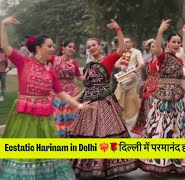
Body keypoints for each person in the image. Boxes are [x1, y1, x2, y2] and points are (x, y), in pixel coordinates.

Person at [0, 16, 90, 180]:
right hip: (24, 114)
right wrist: (3, 25)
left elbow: (61, 93)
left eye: (53, 46)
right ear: (38, 47)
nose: (52, 49)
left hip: (44, 115)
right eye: (49, 46)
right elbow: (5, 46)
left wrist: (78, 105)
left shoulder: (50, 71)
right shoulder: (23, 62)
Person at [69, 19, 137, 179]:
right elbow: (88, 86)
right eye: (89, 47)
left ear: (100, 46)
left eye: (94, 45)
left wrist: (118, 30)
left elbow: (121, 49)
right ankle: (87, 164)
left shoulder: (107, 60)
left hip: (104, 103)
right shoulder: (89, 65)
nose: (92, 48)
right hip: (88, 103)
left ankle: (109, 166)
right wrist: (75, 98)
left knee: (105, 133)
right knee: (86, 133)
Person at [138, 19, 185, 176]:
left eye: (179, 42)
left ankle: (178, 162)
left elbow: (182, 82)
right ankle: (159, 162)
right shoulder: (163, 57)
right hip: (162, 100)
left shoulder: (180, 60)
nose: (176, 44)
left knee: (180, 130)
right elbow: (155, 49)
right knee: (161, 130)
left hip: (178, 101)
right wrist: (160, 32)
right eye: (174, 42)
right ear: (167, 43)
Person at [49, 40, 84, 137]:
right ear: (63, 48)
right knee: (57, 115)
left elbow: (79, 77)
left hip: (72, 92)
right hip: (57, 91)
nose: (72, 49)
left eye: (73, 48)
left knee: (71, 115)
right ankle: (59, 135)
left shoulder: (74, 62)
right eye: (69, 46)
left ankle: (70, 134)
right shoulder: (54, 59)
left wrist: (91, 77)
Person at [131, 39, 158, 136]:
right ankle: (148, 129)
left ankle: (154, 130)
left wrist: (152, 39)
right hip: (147, 86)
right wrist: (145, 83)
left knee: (153, 110)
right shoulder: (151, 59)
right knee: (147, 109)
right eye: (151, 46)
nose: (151, 48)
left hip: (156, 88)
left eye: (153, 46)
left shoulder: (161, 59)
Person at [114, 37, 143, 120]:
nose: (125, 43)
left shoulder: (136, 52)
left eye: (127, 42)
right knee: (119, 95)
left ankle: (137, 114)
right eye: (124, 42)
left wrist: (135, 72)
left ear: (132, 43)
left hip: (132, 77)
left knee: (131, 97)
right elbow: (116, 64)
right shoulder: (123, 53)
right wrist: (121, 66)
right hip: (123, 77)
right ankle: (122, 116)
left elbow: (141, 64)